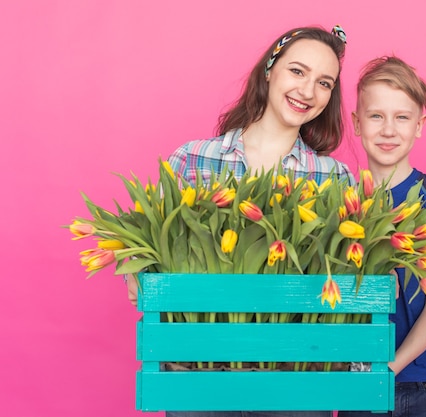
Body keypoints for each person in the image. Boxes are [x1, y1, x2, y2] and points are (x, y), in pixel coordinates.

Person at [126, 25, 353, 417]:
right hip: (197, 376)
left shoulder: (335, 179)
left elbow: (350, 277)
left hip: (298, 381)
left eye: (324, 83)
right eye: (297, 71)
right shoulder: (193, 160)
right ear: (269, 69)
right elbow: (148, 250)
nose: (308, 91)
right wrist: (135, 273)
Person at [339, 57, 426, 417]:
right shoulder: (340, 201)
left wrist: (390, 368)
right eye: (376, 116)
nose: (388, 130)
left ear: (419, 126)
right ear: (356, 123)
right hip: (359, 383)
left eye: (402, 117)